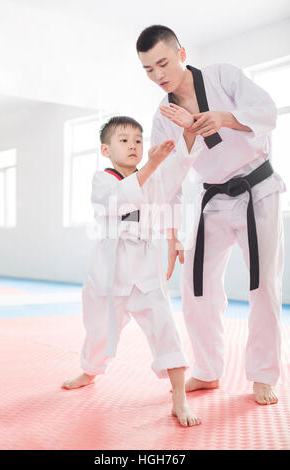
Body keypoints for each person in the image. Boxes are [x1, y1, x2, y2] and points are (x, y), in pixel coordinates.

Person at [136, 25, 285, 406]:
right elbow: (167, 178)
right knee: (195, 286)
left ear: (182, 52)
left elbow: (268, 112)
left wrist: (223, 117)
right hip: (213, 198)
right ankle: (207, 369)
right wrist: (170, 236)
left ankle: (264, 375)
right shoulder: (163, 117)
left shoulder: (222, 75)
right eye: (149, 70)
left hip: (257, 189)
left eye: (163, 63)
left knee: (263, 285)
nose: (158, 75)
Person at [62, 116, 202, 427]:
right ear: (105, 149)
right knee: (99, 329)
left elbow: (175, 175)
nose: (133, 146)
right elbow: (115, 203)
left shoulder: (152, 175)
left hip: (146, 273)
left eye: (139, 140)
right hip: (111, 273)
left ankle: (178, 397)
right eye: (124, 140)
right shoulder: (102, 179)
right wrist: (152, 166)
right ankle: (91, 369)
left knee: (166, 328)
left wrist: (189, 136)